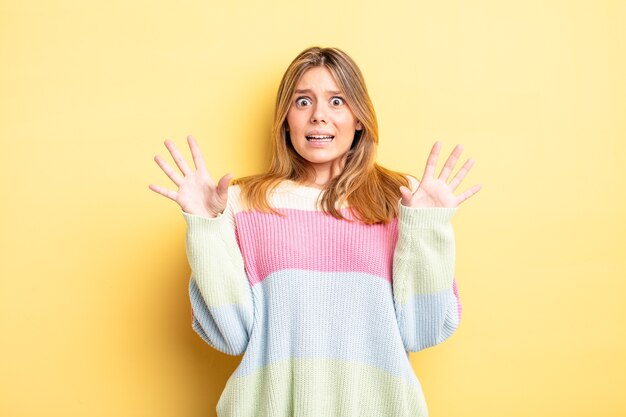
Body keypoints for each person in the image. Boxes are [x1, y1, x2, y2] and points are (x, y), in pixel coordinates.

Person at [149, 46, 481, 417]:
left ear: (359, 118)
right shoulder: (243, 203)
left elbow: (423, 331)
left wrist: (427, 228)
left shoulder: (401, 201)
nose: (319, 116)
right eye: (303, 101)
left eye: (337, 101)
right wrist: (207, 228)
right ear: (286, 119)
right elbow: (230, 335)